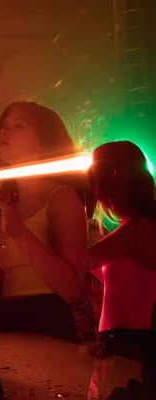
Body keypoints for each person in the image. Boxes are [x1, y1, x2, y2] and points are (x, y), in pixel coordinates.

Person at [0, 101, 88, 398]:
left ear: (41, 143)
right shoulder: (0, 203)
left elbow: (72, 288)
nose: (4, 132)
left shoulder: (61, 198)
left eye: (18, 125)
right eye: (2, 127)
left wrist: (20, 233)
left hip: (43, 326)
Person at [86, 140, 156, 398]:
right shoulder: (136, 228)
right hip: (122, 342)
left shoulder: (139, 229)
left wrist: (83, 205)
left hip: (129, 344)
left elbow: (83, 260)